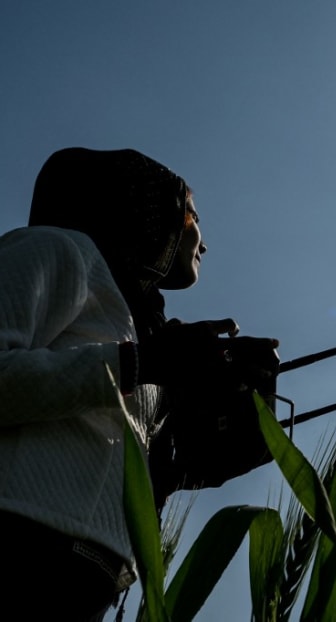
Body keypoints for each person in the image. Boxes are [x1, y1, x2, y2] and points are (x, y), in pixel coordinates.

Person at [0, 147, 279, 621]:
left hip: (91, 581)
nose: (204, 241)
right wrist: (140, 364)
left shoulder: (135, 324)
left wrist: (217, 436)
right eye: (193, 213)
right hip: (20, 547)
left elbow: (104, 446)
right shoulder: (58, 248)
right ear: (154, 205)